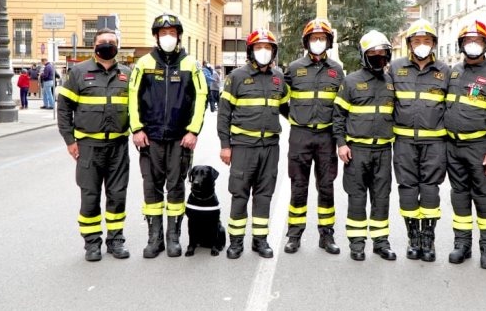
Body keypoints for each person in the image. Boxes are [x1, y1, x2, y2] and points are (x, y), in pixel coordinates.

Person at [129, 14, 207, 258]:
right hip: (150, 138)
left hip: (179, 138)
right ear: (155, 36)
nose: (168, 37)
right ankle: (154, 238)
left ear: (179, 36)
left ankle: (173, 237)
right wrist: (137, 128)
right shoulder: (143, 64)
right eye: (163, 34)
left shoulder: (191, 65)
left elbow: (201, 97)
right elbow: (132, 96)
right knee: (151, 188)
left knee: (175, 188)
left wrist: (193, 131)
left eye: (172, 33)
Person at [57, 28, 132, 261]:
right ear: (94, 46)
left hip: (118, 146)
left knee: (117, 195)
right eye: (103, 41)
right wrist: (70, 141)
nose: (107, 45)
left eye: (112, 42)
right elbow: (63, 109)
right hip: (88, 147)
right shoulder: (78, 72)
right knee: (90, 197)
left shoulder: (127, 74)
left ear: (117, 46)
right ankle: (91, 243)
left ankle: (116, 240)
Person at [444, 20, 486, 269]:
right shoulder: (453, 72)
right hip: (454, 148)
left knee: (484, 198)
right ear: (461, 45)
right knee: (459, 197)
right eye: (468, 41)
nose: (473, 45)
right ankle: (462, 245)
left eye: (478, 41)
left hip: (481, 149)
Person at [218, 28, 290, 259]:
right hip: (243, 146)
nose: (263, 51)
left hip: (270, 147)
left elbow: (288, 110)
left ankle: (260, 241)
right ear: (251, 51)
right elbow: (224, 114)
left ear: (273, 51)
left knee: (264, 194)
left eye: (267, 47)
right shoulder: (236, 77)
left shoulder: (279, 78)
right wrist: (225, 145)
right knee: (240, 194)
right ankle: (236, 242)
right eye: (258, 47)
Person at [388, 19, 450, 262]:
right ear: (409, 44)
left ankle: (428, 237)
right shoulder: (394, 69)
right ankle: (413, 237)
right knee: (407, 189)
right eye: (417, 41)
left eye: (426, 41)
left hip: (435, 143)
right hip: (403, 142)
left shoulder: (445, 72)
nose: (421, 45)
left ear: (434, 44)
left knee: (430, 189)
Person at [283, 18, 345, 255]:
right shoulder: (294, 68)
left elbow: (341, 106)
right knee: (298, 186)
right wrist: (293, 116)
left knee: (326, 186)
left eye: (322, 38)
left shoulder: (336, 70)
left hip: (326, 137)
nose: (317, 42)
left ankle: (326, 235)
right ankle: (294, 235)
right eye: (313, 38)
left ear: (328, 42)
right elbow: (281, 99)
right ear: (306, 42)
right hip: (300, 135)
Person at [333, 30, 396, 262]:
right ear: (364, 55)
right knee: (357, 197)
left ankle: (381, 243)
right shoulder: (350, 81)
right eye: (373, 53)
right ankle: (357, 244)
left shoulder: (391, 82)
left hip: (383, 151)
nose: (379, 56)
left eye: (383, 53)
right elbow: (338, 116)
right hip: (356, 151)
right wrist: (341, 144)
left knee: (382, 197)